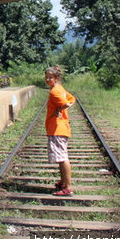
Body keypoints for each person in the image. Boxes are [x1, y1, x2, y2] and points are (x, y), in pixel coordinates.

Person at [45, 65, 75, 196]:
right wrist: (62, 107)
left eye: (50, 78)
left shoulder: (54, 91)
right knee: (61, 156)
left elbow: (66, 103)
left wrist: (61, 108)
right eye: (46, 77)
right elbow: (72, 99)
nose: (47, 80)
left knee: (62, 158)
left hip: (57, 128)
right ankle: (63, 182)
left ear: (56, 78)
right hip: (61, 127)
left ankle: (68, 188)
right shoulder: (60, 89)